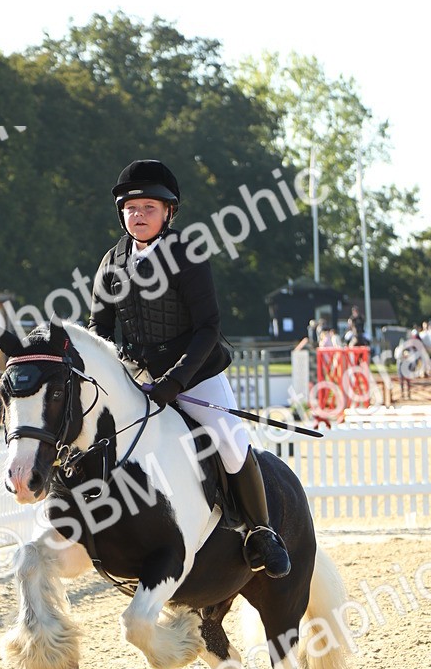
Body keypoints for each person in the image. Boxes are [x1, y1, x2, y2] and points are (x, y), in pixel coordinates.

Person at [88, 158, 290, 579]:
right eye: (131, 208)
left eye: (148, 208)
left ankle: (261, 532)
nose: (138, 216)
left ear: (168, 213)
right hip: (139, 378)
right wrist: (121, 376)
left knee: (230, 440)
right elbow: (100, 329)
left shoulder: (187, 254)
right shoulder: (111, 262)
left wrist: (174, 382)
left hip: (196, 373)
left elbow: (208, 327)